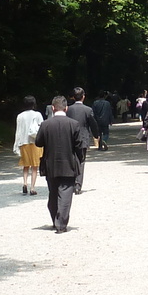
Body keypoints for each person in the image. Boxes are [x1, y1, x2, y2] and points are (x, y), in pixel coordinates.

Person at [33, 96, 91, 232]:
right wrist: (80, 159)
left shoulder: (46, 124)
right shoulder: (74, 124)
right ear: (66, 108)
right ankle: (61, 224)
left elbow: (38, 142)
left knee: (53, 193)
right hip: (68, 163)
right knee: (65, 194)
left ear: (53, 108)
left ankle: (55, 219)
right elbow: (78, 145)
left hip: (50, 164)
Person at [66, 88, 97, 193]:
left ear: (73, 97)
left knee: (71, 160)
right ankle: (78, 185)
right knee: (81, 161)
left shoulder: (68, 109)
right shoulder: (88, 110)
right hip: (83, 138)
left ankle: (70, 182)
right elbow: (93, 124)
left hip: (70, 138)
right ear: (83, 96)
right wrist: (96, 135)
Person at [12, 96, 44, 195]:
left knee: (26, 165)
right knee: (34, 166)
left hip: (23, 142)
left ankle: (25, 183)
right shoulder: (37, 114)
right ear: (34, 104)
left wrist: (16, 144)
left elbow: (18, 131)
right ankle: (32, 188)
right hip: (35, 143)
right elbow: (42, 128)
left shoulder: (20, 116)